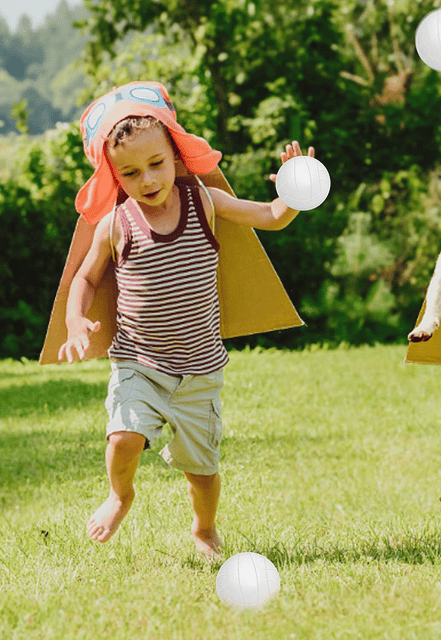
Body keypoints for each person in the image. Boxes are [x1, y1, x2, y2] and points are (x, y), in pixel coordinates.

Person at [58, 81, 313, 561]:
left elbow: (272, 216)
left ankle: (204, 528)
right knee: (124, 437)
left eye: (157, 163)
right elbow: (85, 280)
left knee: (203, 470)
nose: (148, 179)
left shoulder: (204, 202)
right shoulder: (116, 225)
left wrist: (294, 189)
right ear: (114, 176)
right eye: (131, 173)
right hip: (139, 362)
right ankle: (120, 495)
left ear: (175, 153)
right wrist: (76, 322)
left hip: (199, 371)